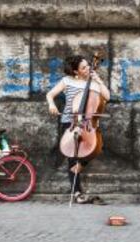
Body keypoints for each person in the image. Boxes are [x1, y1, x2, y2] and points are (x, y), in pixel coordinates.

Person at [46, 55, 110, 204]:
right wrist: (52, 104)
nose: (88, 69)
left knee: (98, 147)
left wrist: (99, 80)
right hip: (70, 123)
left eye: (88, 65)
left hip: (87, 123)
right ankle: (77, 193)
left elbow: (107, 96)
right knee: (71, 157)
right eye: (84, 68)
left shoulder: (94, 83)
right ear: (76, 71)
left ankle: (81, 165)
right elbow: (50, 94)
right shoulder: (67, 81)